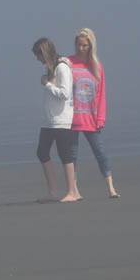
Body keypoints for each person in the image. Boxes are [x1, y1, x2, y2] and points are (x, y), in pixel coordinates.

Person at [69, 28, 120, 198]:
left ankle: (111, 189)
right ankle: (74, 190)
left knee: (100, 152)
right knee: (72, 156)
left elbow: (101, 94)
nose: (81, 48)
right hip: (71, 118)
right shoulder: (68, 62)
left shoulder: (96, 66)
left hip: (90, 118)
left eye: (84, 45)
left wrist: (101, 118)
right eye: (78, 44)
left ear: (91, 46)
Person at [32, 37, 82, 202]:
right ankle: (52, 192)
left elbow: (65, 93)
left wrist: (47, 84)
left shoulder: (62, 67)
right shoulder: (51, 68)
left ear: (44, 53)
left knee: (65, 154)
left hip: (61, 119)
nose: (37, 59)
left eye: (38, 55)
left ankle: (72, 192)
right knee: (42, 152)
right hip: (49, 120)